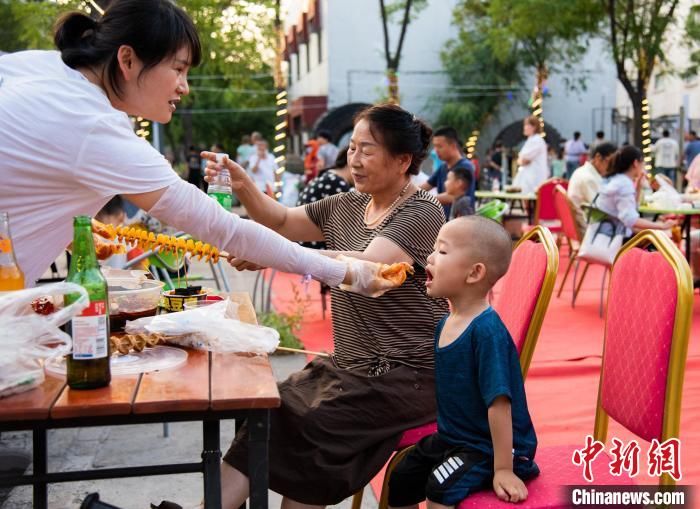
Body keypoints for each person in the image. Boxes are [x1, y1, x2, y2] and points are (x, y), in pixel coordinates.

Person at [0, 0, 388, 298]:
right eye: (179, 69)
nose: (184, 87)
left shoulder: (44, 69)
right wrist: (351, 274)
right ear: (128, 59)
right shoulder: (92, 126)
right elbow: (224, 229)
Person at [202, 103, 450, 508]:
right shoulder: (348, 204)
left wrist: (277, 255)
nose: (355, 159)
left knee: (313, 427)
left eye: (367, 150)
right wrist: (244, 184)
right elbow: (281, 221)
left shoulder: (421, 211)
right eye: (352, 148)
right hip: (349, 364)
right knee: (269, 408)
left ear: (403, 160)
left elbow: (366, 271)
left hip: (405, 374)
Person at [387, 216, 539, 508]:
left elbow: (500, 405)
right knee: (402, 477)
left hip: (488, 448)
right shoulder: (446, 323)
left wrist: (503, 468)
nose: (429, 257)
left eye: (442, 252)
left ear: (474, 273)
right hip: (453, 438)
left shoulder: (486, 331)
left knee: (440, 489)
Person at [596, 146, 675, 239]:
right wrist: (661, 226)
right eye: (643, 163)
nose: (644, 167)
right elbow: (630, 220)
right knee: (664, 236)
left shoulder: (615, 179)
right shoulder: (624, 184)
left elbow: (631, 211)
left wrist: (638, 187)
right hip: (615, 238)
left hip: (606, 233)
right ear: (636, 163)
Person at [297, 146, 354, 249]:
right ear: (349, 163)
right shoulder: (337, 183)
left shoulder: (328, 176)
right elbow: (341, 229)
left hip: (303, 244)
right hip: (313, 249)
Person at [421, 127, 475, 218]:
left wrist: (422, 200)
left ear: (453, 146)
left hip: (460, 224)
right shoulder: (443, 167)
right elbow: (424, 187)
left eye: (440, 146)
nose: (436, 150)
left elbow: (456, 196)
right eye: (435, 146)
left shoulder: (466, 167)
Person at [568, 142, 617, 236]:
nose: (612, 168)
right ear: (598, 157)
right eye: (610, 163)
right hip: (591, 230)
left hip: (586, 225)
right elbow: (604, 209)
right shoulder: (588, 178)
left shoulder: (582, 172)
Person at [512, 116, 548, 194]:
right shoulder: (531, 140)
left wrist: (520, 160)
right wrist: (520, 160)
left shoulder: (537, 140)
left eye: (527, 125)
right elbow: (520, 159)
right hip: (528, 177)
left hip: (533, 178)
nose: (524, 127)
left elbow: (524, 160)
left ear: (534, 127)